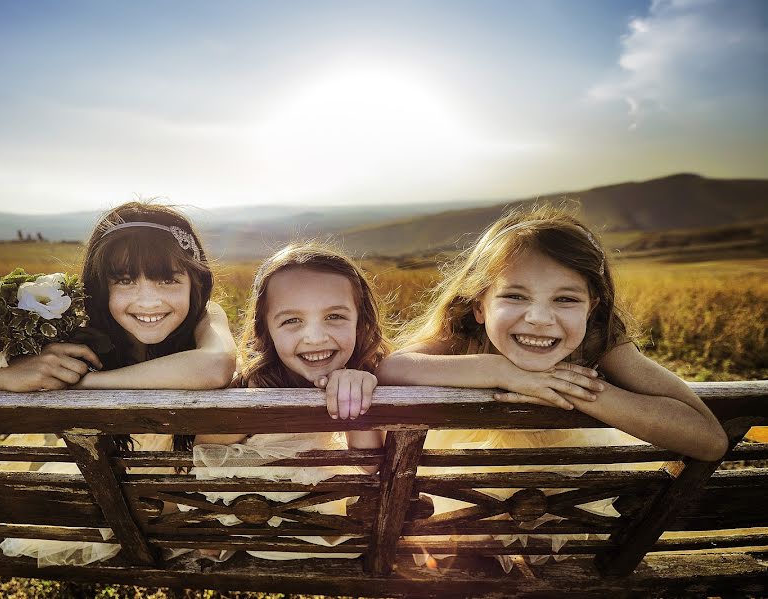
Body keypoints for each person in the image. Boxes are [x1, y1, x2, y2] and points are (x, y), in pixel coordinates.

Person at [375, 203, 727, 570]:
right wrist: (500, 370)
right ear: (479, 305)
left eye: (565, 299)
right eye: (515, 296)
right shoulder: (465, 339)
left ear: (592, 308)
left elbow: (709, 438)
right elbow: (393, 366)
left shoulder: (601, 347)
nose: (540, 318)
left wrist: (583, 391)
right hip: (464, 513)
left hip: (567, 513)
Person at [0, 201, 237, 566]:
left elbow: (217, 365)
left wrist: (83, 384)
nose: (148, 299)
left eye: (167, 279)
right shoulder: (76, 335)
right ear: (100, 285)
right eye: (125, 280)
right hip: (110, 499)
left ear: (196, 282)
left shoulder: (206, 317)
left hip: (184, 499)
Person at [187, 242, 389, 560]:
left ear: (360, 321)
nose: (315, 338)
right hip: (259, 523)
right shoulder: (252, 388)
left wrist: (354, 388)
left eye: (334, 316)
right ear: (265, 329)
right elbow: (208, 453)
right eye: (292, 321)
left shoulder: (370, 377)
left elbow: (367, 467)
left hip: (320, 526)